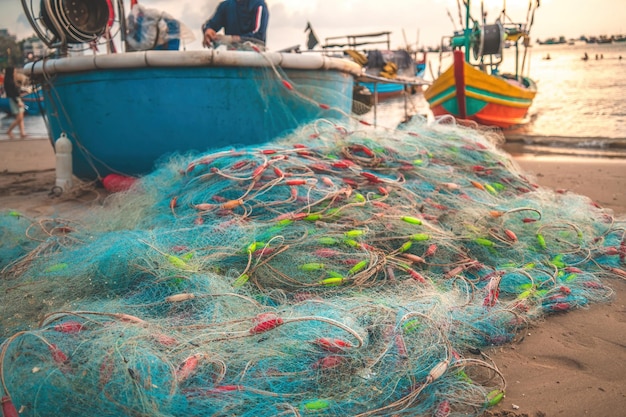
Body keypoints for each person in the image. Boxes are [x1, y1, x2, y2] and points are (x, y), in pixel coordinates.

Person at [202, 0, 269, 47]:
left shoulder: (259, 5)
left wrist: (232, 39)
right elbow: (209, 25)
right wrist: (208, 31)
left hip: (254, 56)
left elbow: (259, 36)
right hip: (231, 56)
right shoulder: (225, 6)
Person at [4, 67, 27, 139]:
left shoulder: (10, 81)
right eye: (14, 71)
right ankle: (9, 130)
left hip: (17, 99)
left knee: (21, 117)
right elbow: (11, 93)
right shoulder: (9, 82)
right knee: (19, 118)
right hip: (15, 100)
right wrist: (17, 102)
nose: (15, 73)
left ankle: (22, 133)